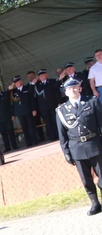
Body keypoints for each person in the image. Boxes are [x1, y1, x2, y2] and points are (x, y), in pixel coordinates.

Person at [56, 78, 102, 216]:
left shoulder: (92, 101)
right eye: (70, 89)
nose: (73, 90)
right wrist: (67, 153)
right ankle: (95, 203)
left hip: (95, 144)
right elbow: (62, 134)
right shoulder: (61, 110)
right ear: (66, 92)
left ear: (80, 89)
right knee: (86, 180)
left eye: (75, 87)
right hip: (77, 148)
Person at [9, 75, 38, 147]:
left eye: (18, 82)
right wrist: (13, 114)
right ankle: (28, 143)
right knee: (24, 128)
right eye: (15, 83)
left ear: (21, 81)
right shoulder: (13, 92)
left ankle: (34, 141)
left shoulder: (27, 88)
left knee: (31, 127)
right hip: (20, 113)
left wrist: (34, 109)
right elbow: (12, 104)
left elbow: (32, 99)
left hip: (28, 111)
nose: (17, 84)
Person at [34, 69, 62, 141]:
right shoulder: (37, 85)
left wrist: (59, 102)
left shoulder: (52, 81)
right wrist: (35, 81)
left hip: (53, 105)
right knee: (48, 122)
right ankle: (52, 136)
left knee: (55, 121)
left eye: (43, 75)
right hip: (43, 108)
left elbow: (57, 92)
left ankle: (58, 135)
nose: (42, 76)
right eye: (40, 75)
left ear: (46, 75)